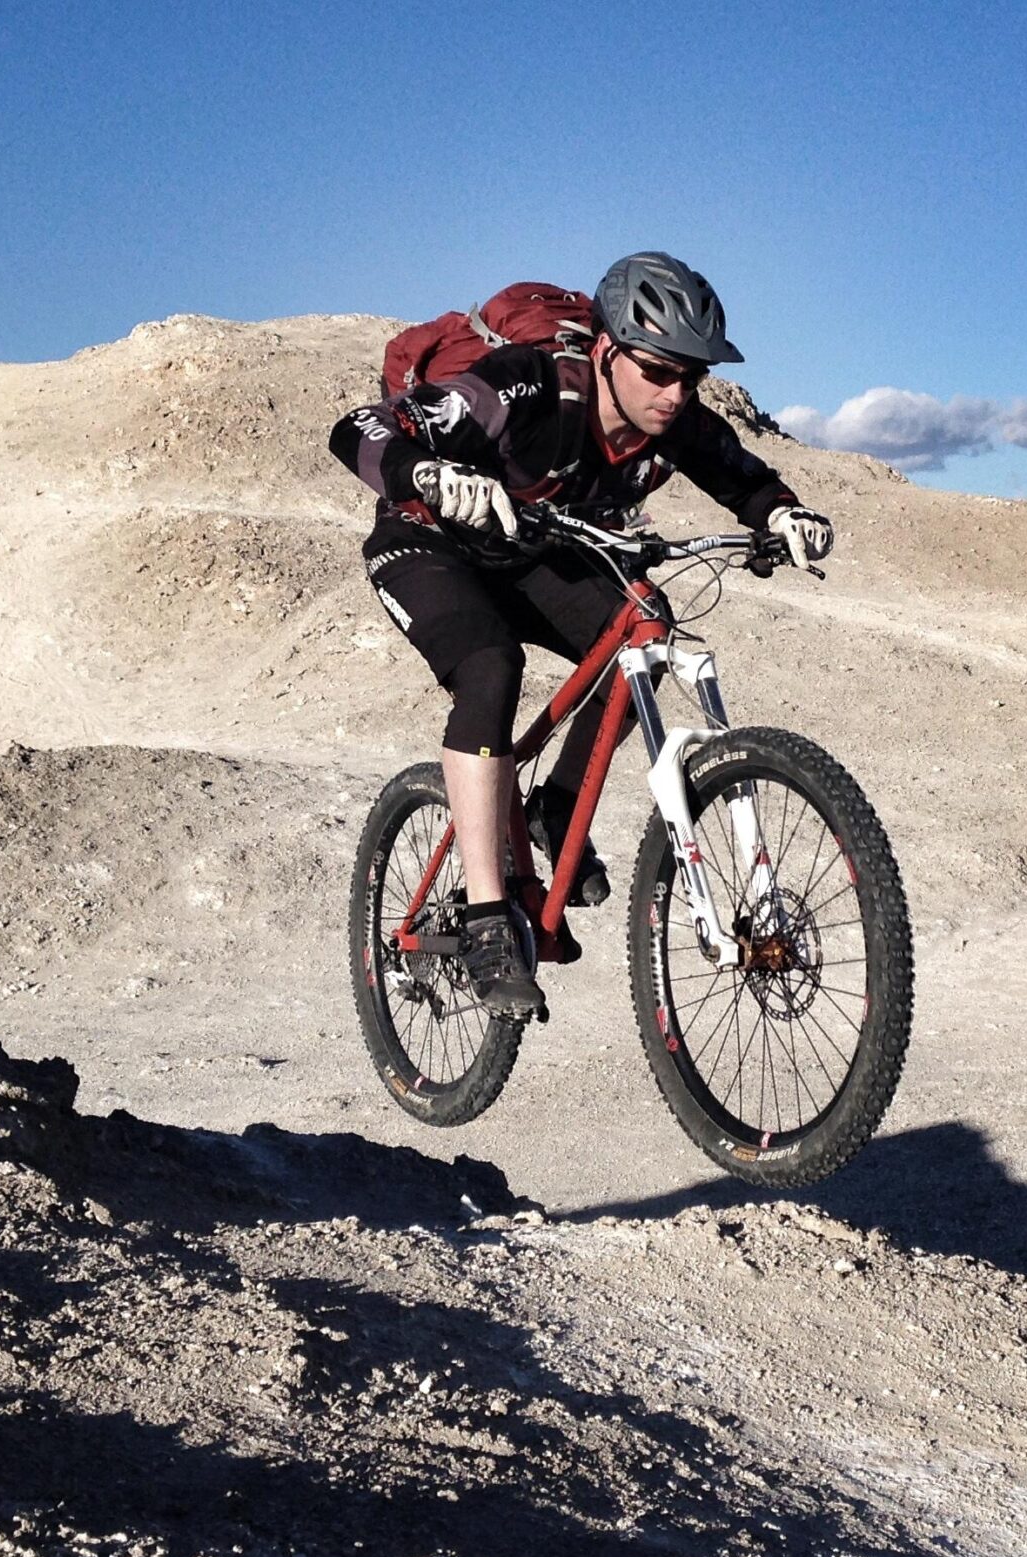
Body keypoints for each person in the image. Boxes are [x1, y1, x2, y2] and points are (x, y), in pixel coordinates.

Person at [328, 251, 834, 1019]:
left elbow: (741, 474)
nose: (676, 395)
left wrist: (780, 513)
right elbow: (360, 428)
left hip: (526, 550)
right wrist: (428, 476)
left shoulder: (672, 419)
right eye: (659, 372)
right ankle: (488, 918)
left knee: (644, 625)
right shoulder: (526, 384)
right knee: (490, 666)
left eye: (690, 378)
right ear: (607, 350)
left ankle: (557, 810)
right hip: (426, 543)